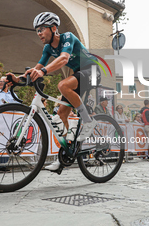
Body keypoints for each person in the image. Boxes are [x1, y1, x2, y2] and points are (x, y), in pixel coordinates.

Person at [6, 12, 99, 171]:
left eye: (42, 29)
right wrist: (18, 79)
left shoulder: (67, 37)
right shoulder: (48, 48)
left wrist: (43, 71)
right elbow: (37, 68)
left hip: (91, 70)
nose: (39, 33)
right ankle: (65, 156)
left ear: (54, 28)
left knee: (63, 85)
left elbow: (63, 59)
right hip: (77, 73)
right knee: (61, 114)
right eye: (37, 30)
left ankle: (88, 120)